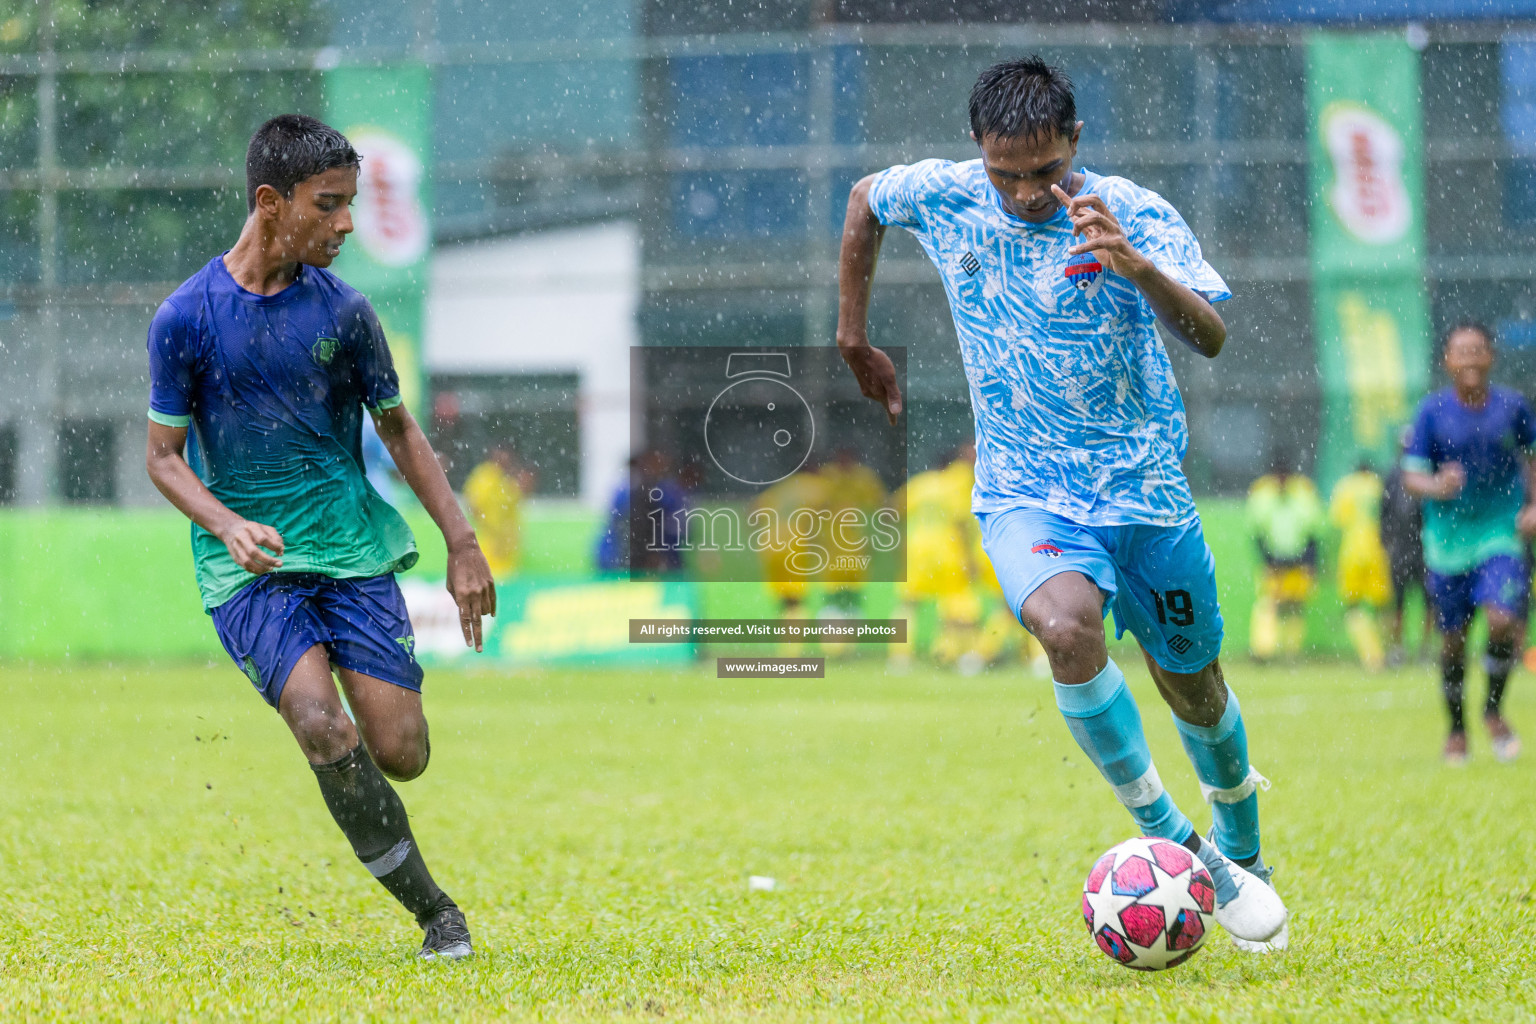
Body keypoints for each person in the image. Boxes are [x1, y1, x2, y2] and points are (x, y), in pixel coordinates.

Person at [835, 56, 1287, 950]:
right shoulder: (947, 193)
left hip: (1147, 493)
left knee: (1193, 685)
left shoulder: (1137, 211)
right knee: (1065, 628)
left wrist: (1137, 265)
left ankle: (1242, 850)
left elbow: (1213, 336)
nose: (1025, 192)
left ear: (1073, 142)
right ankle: (1177, 841)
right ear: (979, 151)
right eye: (1006, 173)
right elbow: (862, 199)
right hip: (1026, 491)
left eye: (1044, 172)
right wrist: (853, 333)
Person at [144, 115, 496, 960]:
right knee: (319, 725)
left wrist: (462, 542)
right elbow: (162, 458)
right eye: (329, 206)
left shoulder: (346, 314)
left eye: (351, 206)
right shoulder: (185, 318)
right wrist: (226, 524)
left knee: (400, 752)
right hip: (253, 569)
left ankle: (382, 809)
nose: (346, 224)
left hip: (349, 553)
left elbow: (402, 431)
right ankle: (436, 914)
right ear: (271, 203)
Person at [1403, 323, 1535, 765]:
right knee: (1454, 642)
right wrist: (1437, 484)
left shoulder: (1513, 407)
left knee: (1501, 620)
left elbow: (1533, 456)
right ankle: (1457, 730)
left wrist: (1534, 506)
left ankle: (1494, 712)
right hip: (1447, 544)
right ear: (1448, 360)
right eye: (1462, 351)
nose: (1471, 359)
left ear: (1491, 357)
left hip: (1500, 534)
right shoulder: (1431, 412)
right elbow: (1411, 475)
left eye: (1478, 350)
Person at [1245, 458, 1325, 662]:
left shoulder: (1303, 492)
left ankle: (1290, 652)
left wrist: (1309, 561)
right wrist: (1267, 559)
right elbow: (1257, 533)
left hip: (1297, 561)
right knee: (1269, 605)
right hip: (1274, 562)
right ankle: (1264, 651)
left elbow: (1312, 532)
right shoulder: (1262, 493)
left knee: (1294, 607)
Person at [1329, 461, 1391, 670]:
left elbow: (1337, 523)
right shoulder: (1379, 485)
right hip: (1378, 551)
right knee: (1382, 607)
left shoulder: (1346, 486)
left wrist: (1329, 561)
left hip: (1352, 552)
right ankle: (1389, 652)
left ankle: (1372, 656)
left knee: (1353, 607)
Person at [1381, 429, 1434, 666]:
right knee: (1398, 602)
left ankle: (1425, 649)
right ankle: (1397, 648)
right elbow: (1385, 511)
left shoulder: (1428, 472)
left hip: (1425, 546)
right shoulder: (1393, 475)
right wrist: (1386, 540)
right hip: (1402, 546)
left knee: (1429, 601)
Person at [463, 445, 530, 578]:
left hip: (505, 551)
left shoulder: (505, 480)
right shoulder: (485, 476)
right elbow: (472, 504)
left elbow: (513, 501)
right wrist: (488, 527)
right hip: (489, 548)